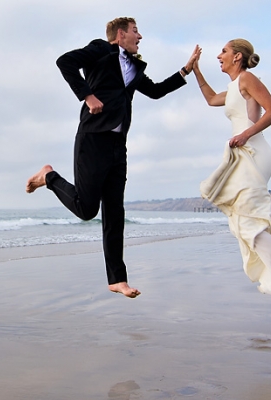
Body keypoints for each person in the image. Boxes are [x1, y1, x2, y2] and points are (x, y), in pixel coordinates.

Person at [26, 17, 199, 298]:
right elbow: (64, 62)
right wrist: (87, 96)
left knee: (115, 213)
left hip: (119, 144)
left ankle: (117, 279)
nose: (140, 36)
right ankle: (49, 176)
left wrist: (185, 70)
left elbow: (155, 91)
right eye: (135, 31)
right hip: (93, 138)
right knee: (86, 210)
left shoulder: (134, 67)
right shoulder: (100, 50)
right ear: (120, 34)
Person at [193, 39, 271, 316]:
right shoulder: (233, 87)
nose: (219, 56)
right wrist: (196, 71)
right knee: (243, 225)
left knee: (249, 224)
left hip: (254, 152)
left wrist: (245, 134)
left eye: (224, 51)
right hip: (243, 153)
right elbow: (212, 99)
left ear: (237, 56)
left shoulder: (248, 79)